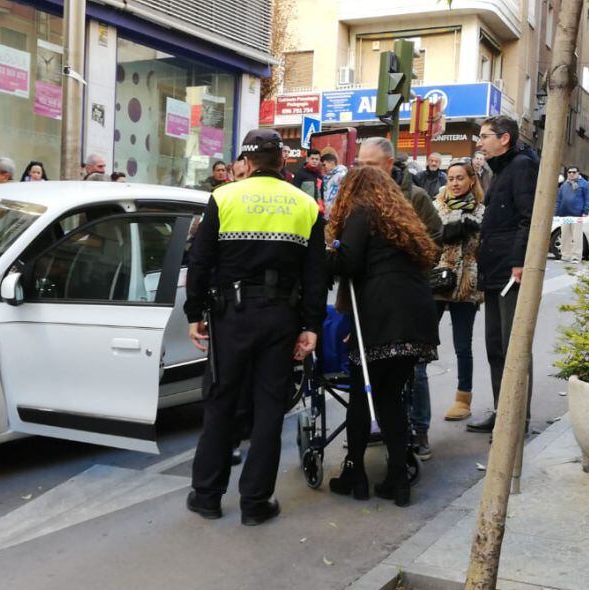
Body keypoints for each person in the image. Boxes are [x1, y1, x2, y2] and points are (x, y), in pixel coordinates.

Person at [184, 128, 326, 526]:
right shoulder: (305, 203)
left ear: (246, 162)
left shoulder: (224, 196)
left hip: (231, 315)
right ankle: (255, 503)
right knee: (268, 409)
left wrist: (194, 313)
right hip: (282, 316)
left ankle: (208, 496)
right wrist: (311, 324)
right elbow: (316, 273)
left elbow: (200, 261)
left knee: (221, 402)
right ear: (282, 160)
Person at [325, 165, 439, 507]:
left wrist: (329, 253)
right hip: (416, 314)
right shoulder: (399, 219)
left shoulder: (362, 212)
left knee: (363, 395)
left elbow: (350, 263)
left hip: (382, 315)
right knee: (390, 396)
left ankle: (354, 473)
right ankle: (397, 479)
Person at [357, 137, 443, 459]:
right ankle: (381, 426)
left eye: (371, 165)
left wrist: (412, 265)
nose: (365, 171)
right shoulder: (357, 197)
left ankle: (419, 430)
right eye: (360, 165)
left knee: (415, 369)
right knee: (376, 373)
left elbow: (435, 238)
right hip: (371, 298)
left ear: (388, 164)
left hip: (407, 297)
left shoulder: (415, 197)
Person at [468, 115, 539, 434]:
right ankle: (503, 411)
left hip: (511, 270)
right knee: (495, 346)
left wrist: (520, 261)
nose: (479, 142)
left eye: (484, 136)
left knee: (514, 346)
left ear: (504, 138)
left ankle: (516, 420)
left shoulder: (522, 165)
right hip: (494, 269)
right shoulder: (499, 169)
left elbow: (529, 218)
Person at [432, 159, 486, 422]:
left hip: (466, 287)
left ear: (471, 180)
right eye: (450, 178)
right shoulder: (435, 207)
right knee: (422, 342)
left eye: (460, 178)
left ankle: (463, 398)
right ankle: (411, 397)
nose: (454, 183)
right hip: (437, 283)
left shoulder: (481, 212)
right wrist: (447, 232)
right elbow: (426, 239)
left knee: (462, 346)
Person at [321, 151, 347, 219]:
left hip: (337, 214)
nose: (323, 167)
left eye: (324, 165)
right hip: (328, 213)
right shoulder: (328, 176)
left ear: (331, 162)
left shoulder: (341, 175)